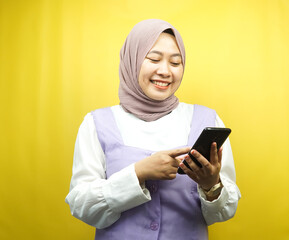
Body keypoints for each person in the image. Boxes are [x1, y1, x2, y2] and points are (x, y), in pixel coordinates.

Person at [65, 19, 241, 240]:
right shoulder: (96, 123)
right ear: (133, 59)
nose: (165, 71)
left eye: (175, 63)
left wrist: (211, 186)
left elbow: (224, 212)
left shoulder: (208, 119)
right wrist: (138, 173)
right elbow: (82, 206)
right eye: (154, 59)